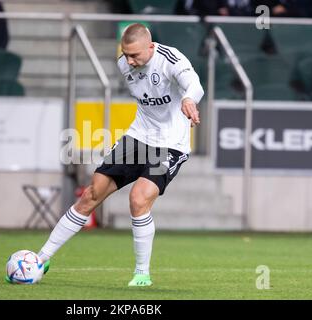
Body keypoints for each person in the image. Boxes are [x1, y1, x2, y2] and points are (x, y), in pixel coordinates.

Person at [28, 23, 204, 287]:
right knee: (91, 194)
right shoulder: (124, 64)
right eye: (125, 54)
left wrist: (189, 99)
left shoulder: (170, 58)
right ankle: (41, 258)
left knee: (138, 198)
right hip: (138, 137)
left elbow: (194, 83)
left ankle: (142, 274)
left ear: (151, 47)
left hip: (170, 144)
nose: (129, 61)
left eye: (135, 55)